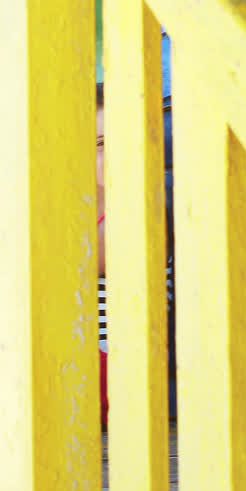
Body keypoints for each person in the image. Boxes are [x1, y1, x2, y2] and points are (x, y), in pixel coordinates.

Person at [95, 83, 177, 423]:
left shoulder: (137, 212)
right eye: (99, 144)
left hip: (116, 375)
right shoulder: (80, 208)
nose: (109, 153)